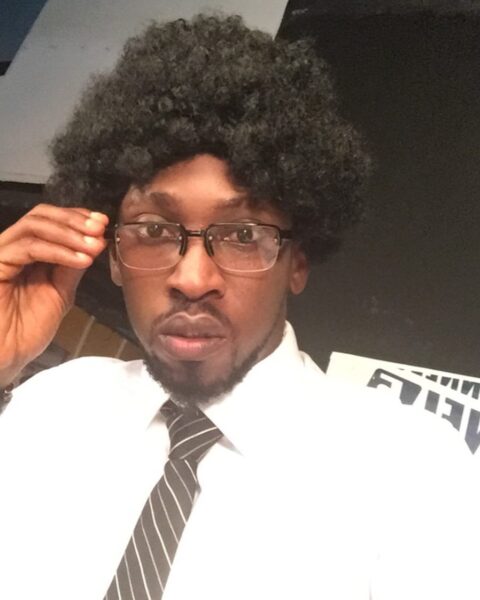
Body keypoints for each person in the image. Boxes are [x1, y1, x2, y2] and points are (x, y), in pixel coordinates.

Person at [0, 14, 478, 600]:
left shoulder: (412, 469)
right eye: (154, 229)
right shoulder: (51, 404)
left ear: (298, 262)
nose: (192, 278)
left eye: (244, 235)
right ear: (113, 254)